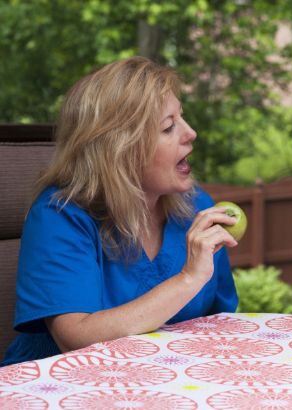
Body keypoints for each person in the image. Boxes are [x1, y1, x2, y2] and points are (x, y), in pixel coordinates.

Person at [1, 57, 239, 366]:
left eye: (182, 118)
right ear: (120, 150)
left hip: (166, 383)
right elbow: (75, 337)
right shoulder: (59, 216)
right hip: (65, 386)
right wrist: (187, 280)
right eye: (168, 127)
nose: (191, 132)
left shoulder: (198, 208)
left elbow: (220, 323)